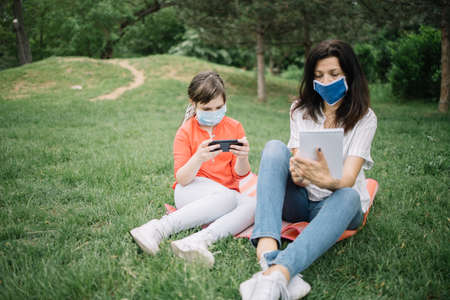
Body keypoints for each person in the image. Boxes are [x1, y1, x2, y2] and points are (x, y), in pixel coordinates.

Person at [239, 40, 377, 299]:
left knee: (348, 196)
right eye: (319, 76)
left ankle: (277, 273)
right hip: (302, 201)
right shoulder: (299, 110)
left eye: (334, 74)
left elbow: (347, 179)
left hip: (338, 204)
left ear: (350, 74)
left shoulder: (365, 118)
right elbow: (296, 164)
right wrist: (299, 175)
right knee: (273, 147)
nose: (326, 81)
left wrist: (327, 180)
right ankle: (268, 249)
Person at [130, 71, 256, 268]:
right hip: (191, 190)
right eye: (207, 108)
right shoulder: (186, 132)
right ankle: (156, 229)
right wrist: (198, 157)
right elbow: (182, 179)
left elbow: (241, 174)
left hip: (225, 194)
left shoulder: (234, 126)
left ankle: (198, 241)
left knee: (253, 205)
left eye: (219, 107)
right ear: (194, 103)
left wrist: (243, 156)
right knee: (230, 198)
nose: (214, 112)